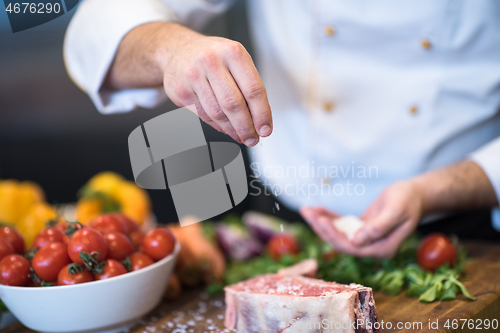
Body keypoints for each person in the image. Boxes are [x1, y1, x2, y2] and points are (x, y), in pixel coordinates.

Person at [64, 0, 500, 258]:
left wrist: (434, 191)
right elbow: (94, 29)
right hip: (287, 225)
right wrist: (168, 47)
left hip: (466, 227)